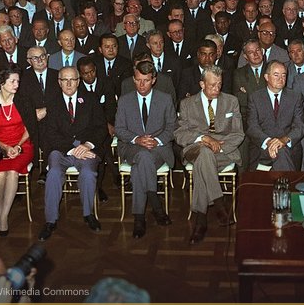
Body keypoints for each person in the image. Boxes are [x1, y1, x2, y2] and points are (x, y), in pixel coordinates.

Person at [174, 66, 244, 244]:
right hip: (195, 147)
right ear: (201, 84)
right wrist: (203, 138)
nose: (216, 89)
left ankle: (201, 220)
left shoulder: (231, 101)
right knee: (204, 152)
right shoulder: (187, 104)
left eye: (219, 84)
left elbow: (238, 134)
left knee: (203, 163)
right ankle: (219, 204)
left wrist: (218, 147)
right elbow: (180, 134)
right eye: (212, 85)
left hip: (223, 151)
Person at [38, 66, 107, 240]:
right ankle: (50, 221)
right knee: (53, 173)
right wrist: (72, 149)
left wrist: (88, 145)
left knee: (89, 173)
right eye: (65, 80)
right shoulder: (52, 103)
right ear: (59, 82)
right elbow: (50, 133)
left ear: (79, 81)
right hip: (61, 150)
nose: (69, 84)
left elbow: (101, 128)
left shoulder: (91, 99)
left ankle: (88, 214)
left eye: (73, 79)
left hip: (87, 150)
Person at [114, 60, 176, 238]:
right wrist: (137, 139)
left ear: (153, 80)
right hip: (132, 147)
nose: (142, 84)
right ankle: (156, 205)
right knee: (142, 157)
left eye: (146, 80)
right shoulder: (125, 101)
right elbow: (119, 129)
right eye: (138, 80)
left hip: (158, 149)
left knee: (142, 163)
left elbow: (172, 127)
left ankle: (139, 217)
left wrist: (156, 140)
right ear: (134, 79)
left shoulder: (165, 99)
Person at [0, 68, 33, 236]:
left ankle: (4, 216)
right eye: (13, 81)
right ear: (1, 83)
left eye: (18, 81)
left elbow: (30, 127)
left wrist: (18, 146)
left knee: (12, 172)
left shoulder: (23, 100)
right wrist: (5, 147)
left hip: (23, 145)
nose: (16, 85)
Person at [245, 61, 304, 171]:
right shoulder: (255, 97)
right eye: (276, 75)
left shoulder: (295, 97)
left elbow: (299, 127)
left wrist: (283, 140)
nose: (281, 79)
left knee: (281, 152)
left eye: (284, 75)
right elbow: (252, 127)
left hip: (287, 148)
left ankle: (284, 187)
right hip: (262, 148)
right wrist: (269, 142)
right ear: (266, 77)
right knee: (280, 153)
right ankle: (288, 187)